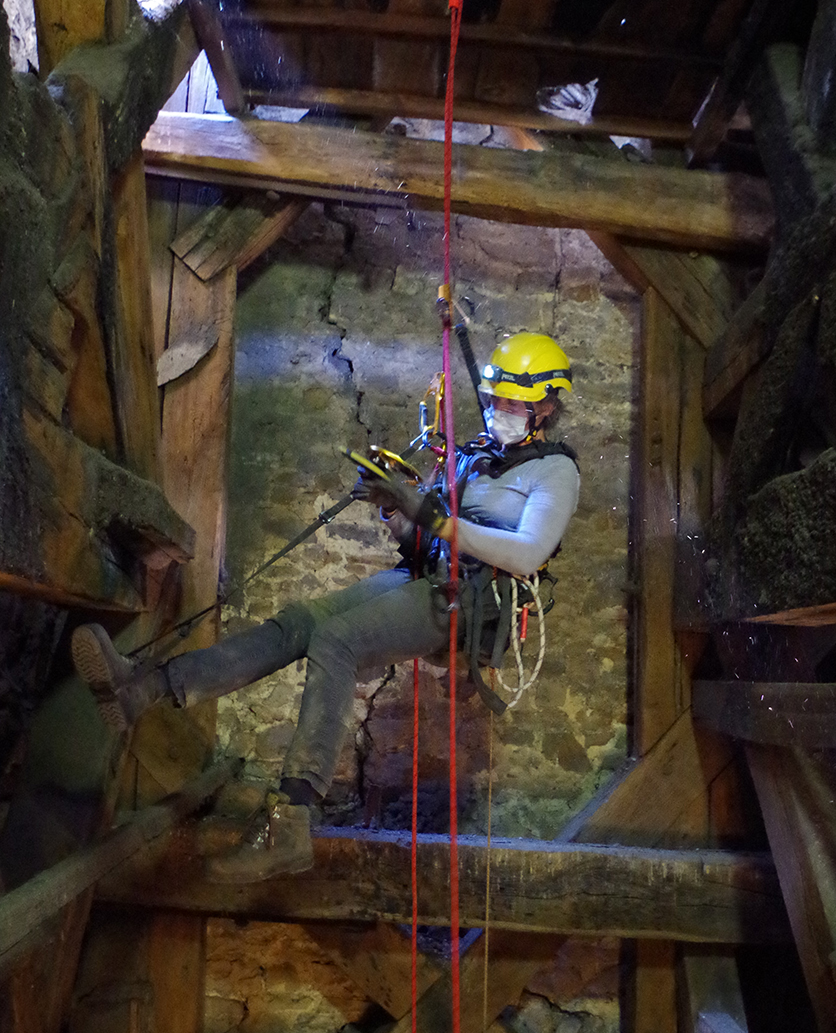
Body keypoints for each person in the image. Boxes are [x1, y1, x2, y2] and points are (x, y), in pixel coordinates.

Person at [71, 333, 579, 882]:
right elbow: (419, 543)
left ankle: (290, 822)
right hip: (426, 577)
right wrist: (396, 509)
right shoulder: (473, 457)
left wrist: (434, 519)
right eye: (496, 399)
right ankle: (143, 688)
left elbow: (528, 554)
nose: (501, 410)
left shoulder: (555, 472)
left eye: (513, 402)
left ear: (545, 405)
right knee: (300, 624)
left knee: (339, 640)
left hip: (473, 602)